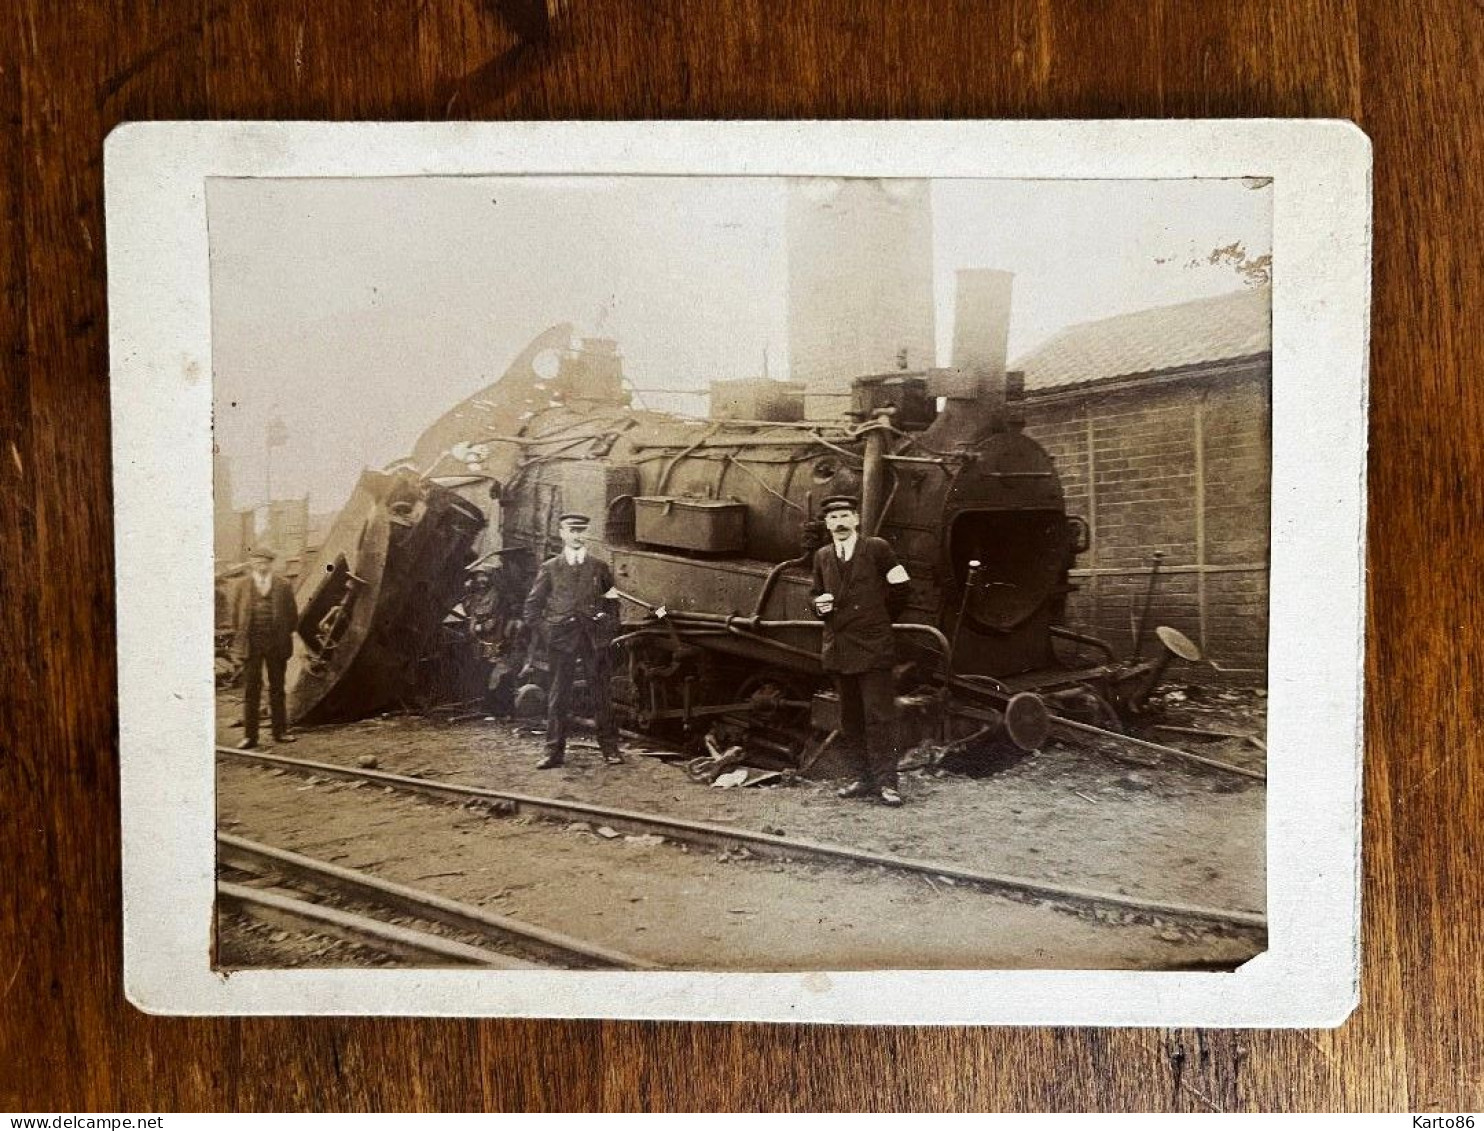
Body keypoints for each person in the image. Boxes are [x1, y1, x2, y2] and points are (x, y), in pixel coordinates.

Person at [809, 495, 912, 806]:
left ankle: (887, 783)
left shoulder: (877, 548)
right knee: (850, 718)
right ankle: (862, 778)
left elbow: (902, 587)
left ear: (856, 519)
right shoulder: (823, 556)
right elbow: (815, 593)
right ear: (827, 524)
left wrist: (878, 619)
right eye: (832, 518)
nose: (839, 523)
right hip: (840, 647)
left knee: (880, 716)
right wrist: (818, 606)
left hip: (873, 646)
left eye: (844, 516)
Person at [522, 513, 624, 769]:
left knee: (601, 695)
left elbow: (612, 602)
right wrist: (549, 631)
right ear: (562, 533)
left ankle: (610, 750)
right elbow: (531, 609)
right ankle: (553, 752)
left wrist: (607, 628)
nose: (577, 535)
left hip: (593, 640)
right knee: (558, 695)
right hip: (562, 640)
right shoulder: (550, 568)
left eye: (582, 530)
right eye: (572, 530)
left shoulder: (599, 568)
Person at [231, 547, 299, 749]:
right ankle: (250, 737)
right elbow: (236, 617)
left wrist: (282, 635)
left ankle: (281, 732)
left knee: (277, 689)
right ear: (252, 564)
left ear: (271, 564)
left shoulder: (283, 585)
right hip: (251, 645)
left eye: (265, 562)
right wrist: (244, 636)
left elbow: (293, 616)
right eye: (258, 562)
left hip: (276, 644)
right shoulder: (242, 586)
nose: (262, 566)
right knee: (251, 690)